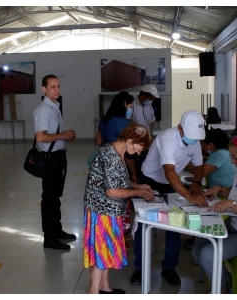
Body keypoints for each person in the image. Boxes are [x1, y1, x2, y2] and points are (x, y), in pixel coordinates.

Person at [130, 110, 207, 286]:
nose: (194, 141)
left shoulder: (193, 140)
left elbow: (199, 165)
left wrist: (196, 182)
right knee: (144, 224)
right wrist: (188, 195)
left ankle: (169, 267)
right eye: (191, 137)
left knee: (175, 224)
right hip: (151, 181)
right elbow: (169, 172)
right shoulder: (168, 139)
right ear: (180, 128)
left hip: (171, 183)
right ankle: (139, 268)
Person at [84, 124, 154, 294]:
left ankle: (104, 287)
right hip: (101, 210)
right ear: (130, 141)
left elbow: (118, 180)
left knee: (106, 249)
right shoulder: (110, 155)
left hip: (109, 210)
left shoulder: (118, 152)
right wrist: (139, 193)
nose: (138, 153)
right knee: (101, 251)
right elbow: (112, 190)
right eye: (139, 149)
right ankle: (94, 292)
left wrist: (139, 186)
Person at [193, 132, 237, 293]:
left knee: (207, 255)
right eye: (231, 157)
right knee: (197, 248)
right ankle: (227, 281)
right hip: (233, 225)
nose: (232, 162)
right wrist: (221, 190)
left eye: (236, 157)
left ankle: (223, 289)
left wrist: (231, 204)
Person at [33, 74, 77, 250]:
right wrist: (62, 135)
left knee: (55, 197)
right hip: (50, 160)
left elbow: (51, 134)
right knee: (49, 198)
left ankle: (57, 230)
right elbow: (41, 137)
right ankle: (49, 237)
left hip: (58, 157)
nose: (57, 89)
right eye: (52, 87)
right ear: (44, 89)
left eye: (58, 86)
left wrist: (63, 138)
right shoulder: (44, 109)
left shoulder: (55, 107)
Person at [95, 91, 136, 248]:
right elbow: (127, 152)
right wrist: (134, 173)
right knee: (122, 200)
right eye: (131, 106)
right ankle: (123, 237)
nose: (131, 109)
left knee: (108, 198)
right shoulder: (122, 123)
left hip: (104, 162)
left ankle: (109, 234)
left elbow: (98, 141)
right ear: (125, 104)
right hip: (120, 163)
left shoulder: (104, 120)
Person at [183, 128, 237, 249]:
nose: (202, 148)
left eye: (203, 145)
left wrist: (184, 163)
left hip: (223, 195)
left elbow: (200, 172)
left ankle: (196, 238)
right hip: (219, 192)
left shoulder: (220, 155)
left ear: (211, 145)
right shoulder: (223, 153)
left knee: (197, 203)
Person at [129, 84, 160, 184]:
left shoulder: (149, 106)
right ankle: (136, 180)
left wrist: (150, 137)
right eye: (150, 99)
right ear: (143, 96)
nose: (151, 101)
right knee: (136, 161)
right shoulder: (133, 105)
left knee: (145, 161)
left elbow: (151, 123)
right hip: (135, 141)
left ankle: (144, 181)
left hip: (147, 140)